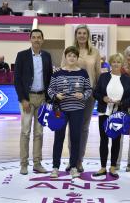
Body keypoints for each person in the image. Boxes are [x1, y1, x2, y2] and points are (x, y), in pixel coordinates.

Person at [48, 46, 92, 179]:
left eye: (74, 56)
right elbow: (50, 90)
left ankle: (73, 166)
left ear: (77, 58)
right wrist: (56, 96)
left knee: (75, 139)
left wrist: (83, 95)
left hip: (77, 110)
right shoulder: (57, 73)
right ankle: (55, 167)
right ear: (65, 57)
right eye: (69, 56)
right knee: (59, 139)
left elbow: (89, 90)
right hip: (60, 111)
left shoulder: (83, 73)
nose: (72, 58)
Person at [61, 24, 101, 172]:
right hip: (70, 96)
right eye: (79, 33)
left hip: (88, 96)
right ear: (76, 35)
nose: (82, 35)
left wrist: (96, 92)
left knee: (83, 128)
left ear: (88, 35)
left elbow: (98, 74)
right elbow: (62, 71)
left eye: (84, 33)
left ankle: (79, 161)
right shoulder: (69, 51)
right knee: (72, 128)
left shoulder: (95, 52)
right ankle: (72, 160)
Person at [14, 29, 53, 175]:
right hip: (27, 99)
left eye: (39, 37)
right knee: (25, 132)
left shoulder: (47, 56)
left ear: (42, 40)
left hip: (42, 98)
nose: (36, 40)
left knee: (39, 133)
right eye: (34, 37)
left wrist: (48, 99)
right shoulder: (22, 55)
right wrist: (23, 99)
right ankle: (23, 164)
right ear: (30, 39)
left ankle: (37, 163)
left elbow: (49, 79)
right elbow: (17, 79)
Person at [93, 53, 130, 177]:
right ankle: (103, 167)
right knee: (103, 140)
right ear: (110, 63)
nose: (116, 64)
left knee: (116, 140)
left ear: (122, 64)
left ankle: (113, 167)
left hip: (119, 114)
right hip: (104, 113)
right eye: (114, 62)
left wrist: (121, 103)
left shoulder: (126, 79)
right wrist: (103, 98)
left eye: (118, 62)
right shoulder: (103, 76)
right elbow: (96, 93)